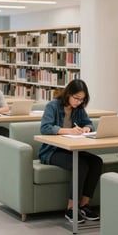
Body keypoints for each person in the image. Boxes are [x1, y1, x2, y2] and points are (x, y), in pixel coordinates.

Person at [39, 79, 101, 224]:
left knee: (97, 161)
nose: (78, 102)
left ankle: (84, 205)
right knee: (80, 165)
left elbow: (89, 123)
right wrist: (68, 130)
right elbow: (45, 128)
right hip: (51, 151)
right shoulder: (52, 106)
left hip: (71, 149)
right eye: (76, 98)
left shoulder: (79, 109)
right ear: (68, 94)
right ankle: (71, 208)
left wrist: (87, 128)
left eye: (82, 99)